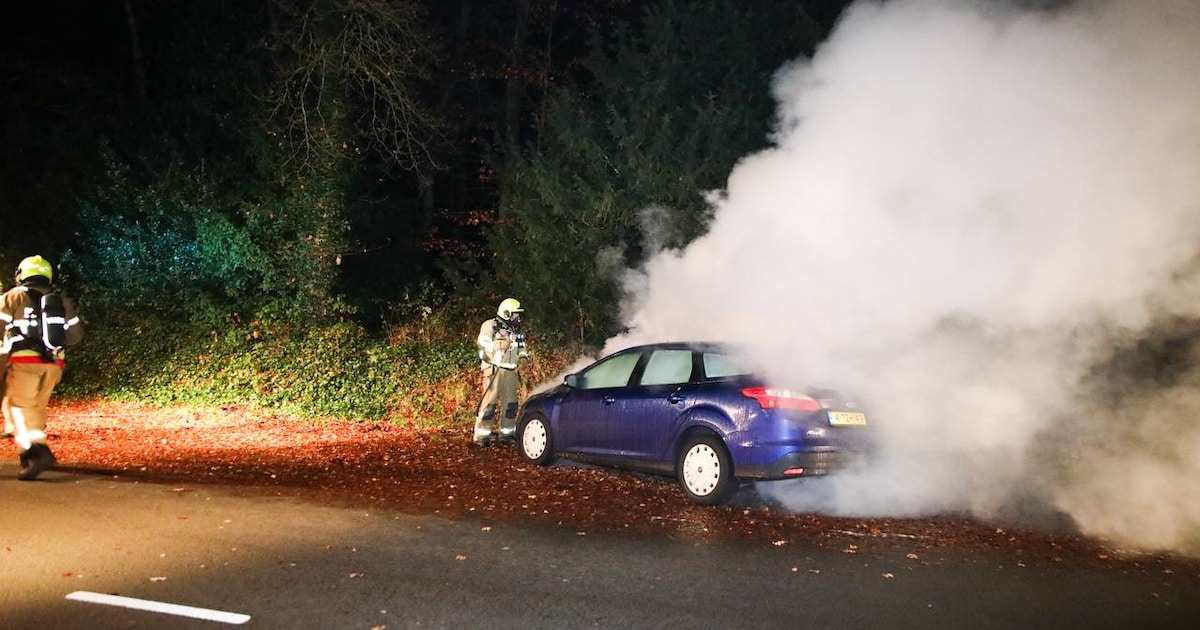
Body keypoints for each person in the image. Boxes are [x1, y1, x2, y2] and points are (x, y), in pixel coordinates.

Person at [0, 255, 83, 480]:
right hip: (54, 364)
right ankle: (29, 455)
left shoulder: (12, 297)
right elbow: (75, 336)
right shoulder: (60, 300)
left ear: (21, 274)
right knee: (35, 407)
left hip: (24, 363)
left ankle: (37, 452)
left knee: (16, 407)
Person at [473, 297, 528, 446]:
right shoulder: (490, 325)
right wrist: (499, 344)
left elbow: (522, 348)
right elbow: (482, 343)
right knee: (489, 404)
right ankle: (481, 436)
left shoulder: (516, 331)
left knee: (511, 405)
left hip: (510, 372)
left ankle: (507, 434)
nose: (518, 317)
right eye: (515, 314)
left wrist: (523, 358)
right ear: (506, 313)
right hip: (494, 370)